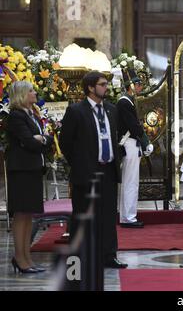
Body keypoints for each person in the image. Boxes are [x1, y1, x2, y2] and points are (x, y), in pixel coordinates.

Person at [59, 71, 127, 269]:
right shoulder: (76, 111)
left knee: (107, 215)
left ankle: (108, 255)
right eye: (103, 84)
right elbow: (65, 142)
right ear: (91, 87)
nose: (106, 87)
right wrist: (79, 162)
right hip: (86, 170)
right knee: (84, 215)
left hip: (108, 170)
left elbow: (114, 137)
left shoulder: (111, 110)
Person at [6, 81, 53, 273]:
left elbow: (45, 140)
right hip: (22, 171)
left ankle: (27, 257)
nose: (35, 93)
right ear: (22, 95)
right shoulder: (16, 116)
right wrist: (39, 139)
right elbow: (28, 142)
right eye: (32, 91)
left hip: (32, 169)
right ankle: (20, 258)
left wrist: (40, 139)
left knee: (29, 215)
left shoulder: (31, 114)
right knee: (21, 214)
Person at [117, 68, 153, 228]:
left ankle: (127, 216)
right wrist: (146, 142)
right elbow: (134, 126)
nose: (140, 87)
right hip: (129, 143)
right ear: (131, 85)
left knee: (130, 182)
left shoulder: (127, 101)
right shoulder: (125, 102)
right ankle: (128, 218)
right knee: (130, 182)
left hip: (131, 144)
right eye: (138, 84)